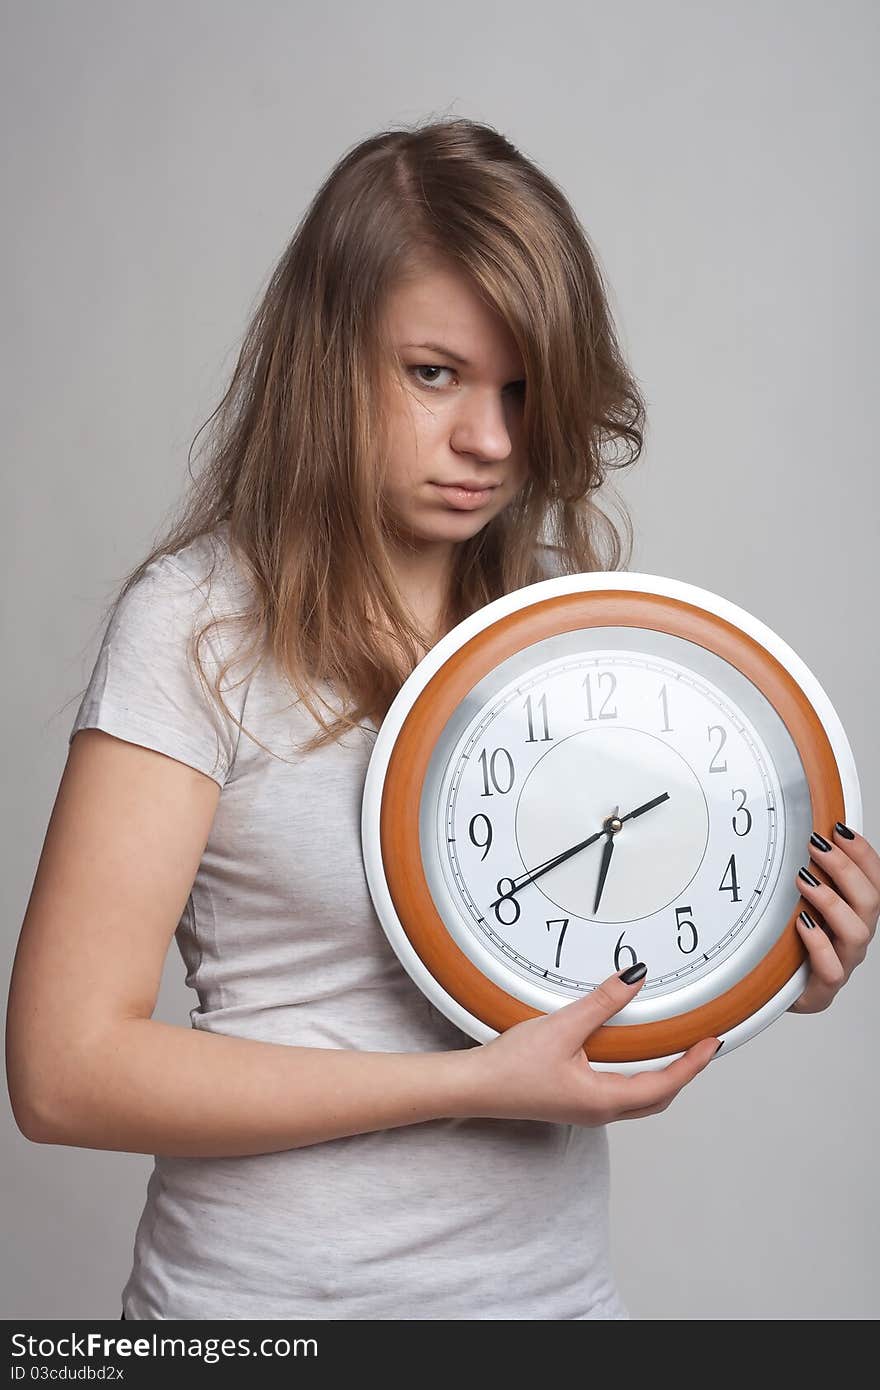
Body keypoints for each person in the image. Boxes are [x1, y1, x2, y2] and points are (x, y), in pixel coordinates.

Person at [7, 117, 879, 1323]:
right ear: (328, 357)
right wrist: (464, 1083)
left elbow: (605, 943)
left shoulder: (566, 630)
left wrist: (777, 959)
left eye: (524, 390)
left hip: (553, 1311)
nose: (490, 441)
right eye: (435, 374)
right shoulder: (198, 624)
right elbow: (63, 1074)